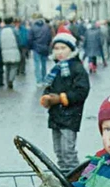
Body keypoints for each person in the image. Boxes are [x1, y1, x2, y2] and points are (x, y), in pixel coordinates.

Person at [39, 33, 91, 172]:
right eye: (56, 48)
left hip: (70, 116)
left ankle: (74, 183)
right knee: (59, 152)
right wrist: (47, 97)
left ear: (71, 49)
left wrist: (61, 98)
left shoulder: (76, 68)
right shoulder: (56, 69)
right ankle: (65, 179)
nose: (59, 52)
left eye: (63, 48)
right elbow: (49, 87)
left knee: (68, 153)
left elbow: (81, 91)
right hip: (56, 115)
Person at [29, 14, 53, 86]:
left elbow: (30, 39)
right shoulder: (46, 27)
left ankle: (38, 81)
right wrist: (47, 45)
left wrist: (31, 47)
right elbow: (49, 37)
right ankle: (44, 79)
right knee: (43, 64)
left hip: (36, 48)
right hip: (45, 47)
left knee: (37, 65)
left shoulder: (33, 27)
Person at [0, 17, 21, 89]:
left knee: (7, 67)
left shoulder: (1, 31)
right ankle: (11, 80)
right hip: (14, 50)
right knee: (14, 67)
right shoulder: (14, 30)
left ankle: (7, 80)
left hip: (4, 51)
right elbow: (18, 40)